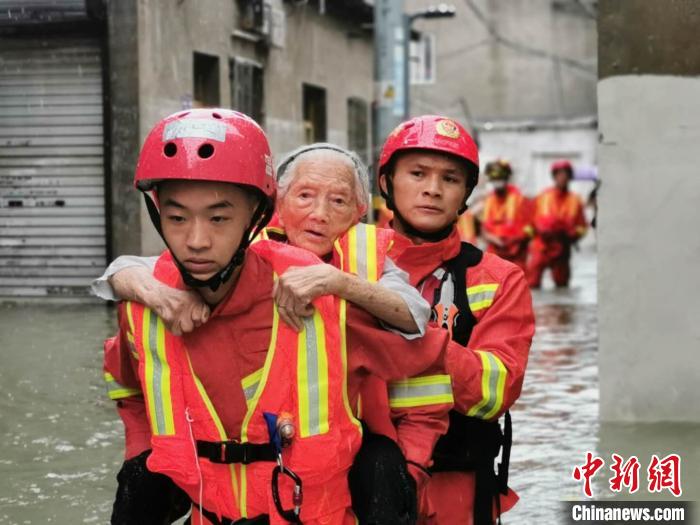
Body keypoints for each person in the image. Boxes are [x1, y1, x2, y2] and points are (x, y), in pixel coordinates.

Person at [102, 109, 453, 525]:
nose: (319, 213)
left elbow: (416, 323)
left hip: (340, 462)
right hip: (222, 488)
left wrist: (336, 282)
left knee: (381, 472)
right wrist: (150, 290)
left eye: (337, 200)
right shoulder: (200, 270)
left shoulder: (363, 274)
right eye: (305, 196)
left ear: (359, 211)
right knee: (139, 484)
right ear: (277, 207)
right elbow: (124, 273)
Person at [372, 115, 534, 525]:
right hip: (359, 483)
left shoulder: (498, 278)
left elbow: (496, 391)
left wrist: (414, 336)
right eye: (417, 173)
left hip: (457, 487)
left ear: (465, 194)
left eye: (450, 178)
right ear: (387, 182)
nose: (432, 188)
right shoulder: (349, 258)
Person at [526, 159, 587, 288]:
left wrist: (573, 234)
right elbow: (529, 223)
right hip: (541, 247)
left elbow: (582, 227)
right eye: (559, 174)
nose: (562, 178)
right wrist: (535, 234)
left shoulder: (576, 200)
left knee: (562, 285)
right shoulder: (542, 197)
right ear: (554, 176)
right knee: (532, 283)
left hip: (562, 248)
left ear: (570, 177)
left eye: (565, 174)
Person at [479, 159, 532, 270]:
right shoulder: (488, 200)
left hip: (516, 254)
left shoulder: (520, 199)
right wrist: (493, 239)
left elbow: (530, 228)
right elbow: (483, 229)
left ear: (506, 178)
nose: (497, 182)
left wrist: (517, 240)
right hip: (495, 253)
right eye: (494, 179)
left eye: (499, 178)